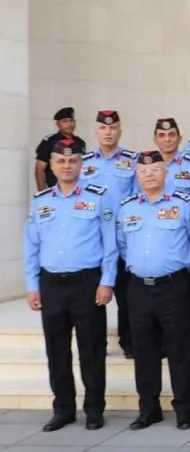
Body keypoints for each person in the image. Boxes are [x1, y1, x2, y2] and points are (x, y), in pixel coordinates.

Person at [23, 138, 116, 432]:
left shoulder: (97, 197)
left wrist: (107, 281)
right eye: (61, 161)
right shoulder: (41, 202)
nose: (66, 166)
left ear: (81, 165)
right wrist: (32, 285)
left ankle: (94, 409)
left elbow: (110, 245)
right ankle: (63, 409)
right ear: (51, 165)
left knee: (92, 349)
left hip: (87, 284)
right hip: (51, 285)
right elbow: (31, 247)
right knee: (56, 351)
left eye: (73, 160)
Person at [117, 151, 190, 431]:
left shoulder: (183, 204)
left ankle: (183, 409)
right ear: (137, 175)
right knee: (144, 351)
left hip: (173, 286)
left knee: (179, 349)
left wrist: (178, 269)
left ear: (165, 173)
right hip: (139, 287)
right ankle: (148, 409)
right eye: (143, 171)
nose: (149, 175)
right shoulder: (127, 208)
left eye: (154, 169)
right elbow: (123, 246)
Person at [80, 111, 139, 358]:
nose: (108, 132)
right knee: (92, 293)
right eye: (103, 128)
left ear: (120, 131)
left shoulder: (132, 161)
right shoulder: (83, 162)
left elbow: (138, 198)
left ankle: (129, 341)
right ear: (96, 131)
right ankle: (96, 343)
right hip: (93, 238)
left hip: (123, 236)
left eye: (113, 128)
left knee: (128, 294)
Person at [34, 107, 84, 192]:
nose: (69, 124)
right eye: (65, 121)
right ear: (58, 124)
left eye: (71, 120)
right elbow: (39, 171)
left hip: (76, 191)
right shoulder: (49, 142)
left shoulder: (80, 142)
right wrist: (43, 194)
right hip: (55, 191)